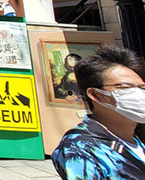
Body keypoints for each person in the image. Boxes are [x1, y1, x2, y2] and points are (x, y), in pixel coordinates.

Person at [52, 46, 145, 179]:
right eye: (125, 87)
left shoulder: (135, 138)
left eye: (142, 88)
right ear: (95, 94)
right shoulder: (81, 148)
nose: (138, 94)